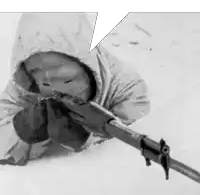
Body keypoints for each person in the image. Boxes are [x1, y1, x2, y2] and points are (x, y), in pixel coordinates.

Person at [0, 13, 150, 166]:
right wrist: (23, 131)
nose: (54, 90)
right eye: (37, 74)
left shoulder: (124, 87)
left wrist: (88, 139)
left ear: (87, 67)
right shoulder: (25, 88)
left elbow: (139, 153)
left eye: (66, 80)